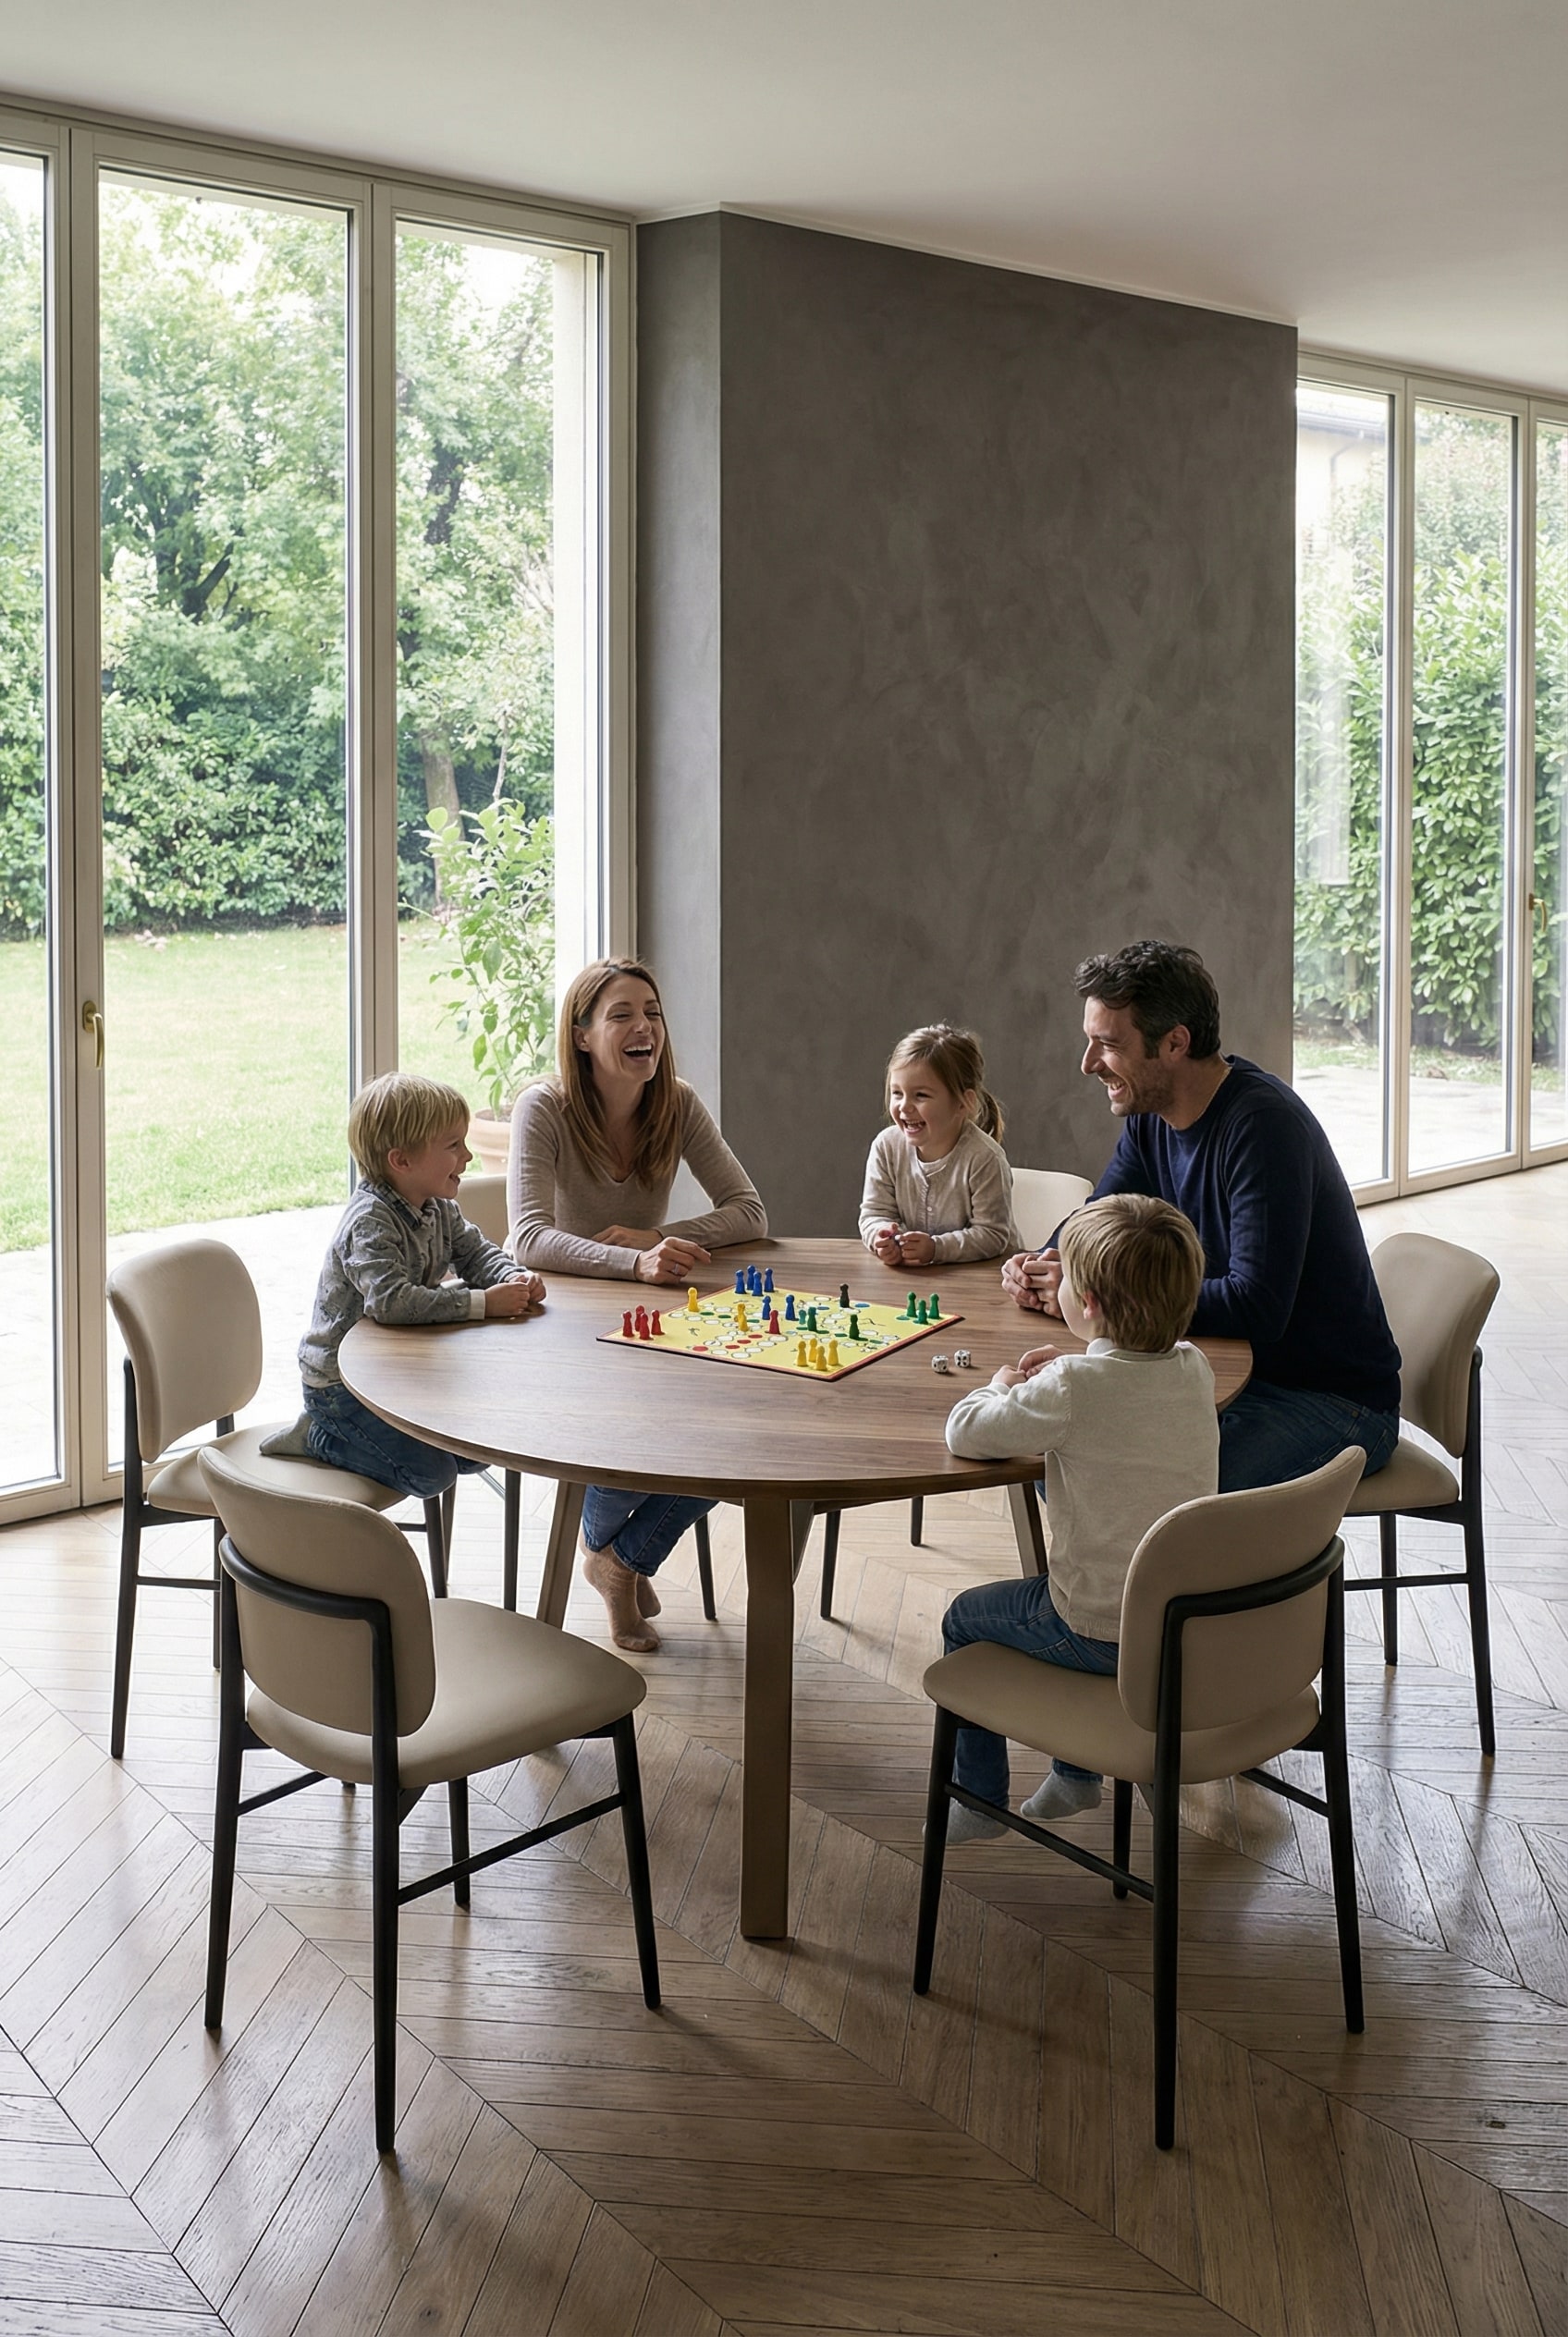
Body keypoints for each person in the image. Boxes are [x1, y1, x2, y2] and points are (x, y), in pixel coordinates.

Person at [1002, 940, 1401, 1494]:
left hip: (1328, 1401)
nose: (1088, 1063)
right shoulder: (1153, 1115)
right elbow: (1095, 1216)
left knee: (1121, 1490)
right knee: (1066, 1465)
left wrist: (1103, 1295)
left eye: (1108, 1044)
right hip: (1213, 1373)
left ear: (1175, 1043)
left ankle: (1142, 1585)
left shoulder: (1263, 1129)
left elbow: (1257, 1306)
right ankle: (1094, 1585)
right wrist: (1047, 1260)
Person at [508, 956, 768, 1653]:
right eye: (621, 1014)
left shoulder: (675, 1104)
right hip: (564, 1327)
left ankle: (617, 1561)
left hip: (650, 1316)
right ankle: (621, 1564)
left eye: (650, 1013)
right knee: (639, 1437)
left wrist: (661, 1236)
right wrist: (634, 1261)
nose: (643, 1026)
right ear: (583, 1034)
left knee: (734, 1440)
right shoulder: (545, 1108)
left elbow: (749, 1210)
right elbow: (528, 1238)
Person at [940, 1193, 1218, 1839]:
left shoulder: (1071, 1390)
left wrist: (1004, 1387)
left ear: (1085, 1303)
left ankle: (980, 1802)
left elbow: (967, 1431)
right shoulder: (1193, 1367)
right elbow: (1117, 1399)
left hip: (1098, 1631)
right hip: (1180, 1628)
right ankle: (1075, 1775)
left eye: (1060, 1276)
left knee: (964, 1618)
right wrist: (1065, 1369)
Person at [266, 1073, 545, 1498]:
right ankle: (319, 1438)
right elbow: (392, 1303)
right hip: (341, 1387)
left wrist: (512, 1277)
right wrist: (482, 1304)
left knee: (478, 1450)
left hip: (395, 1371)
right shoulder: (370, 1221)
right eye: (453, 1146)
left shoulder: (437, 1207)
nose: (468, 1156)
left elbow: (475, 1252)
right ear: (402, 1161)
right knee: (433, 1475)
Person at [859, 1023, 1018, 1267]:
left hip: (982, 1282)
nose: (904, 1106)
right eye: (897, 1093)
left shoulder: (984, 1158)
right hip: (917, 1281)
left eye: (920, 1095)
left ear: (962, 1103)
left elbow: (993, 1235)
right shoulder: (886, 1148)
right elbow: (873, 1214)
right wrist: (881, 1237)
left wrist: (936, 1248)